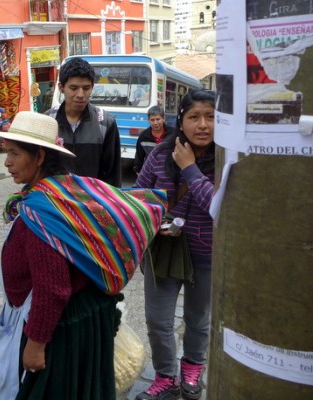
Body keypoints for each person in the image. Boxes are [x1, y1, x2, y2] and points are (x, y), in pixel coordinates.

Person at [0, 111, 167, 399]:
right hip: (85, 317)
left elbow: (52, 288)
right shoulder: (66, 188)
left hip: (64, 329)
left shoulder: (44, 210)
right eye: (6, 152)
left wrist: (35, 344)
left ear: (40, 157)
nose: (7, 162)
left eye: (15, 153)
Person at [134, 89, 216, 400]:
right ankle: (165, 376)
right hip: (163, 253)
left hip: (206, 254)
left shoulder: (226, 159)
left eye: (210, 117)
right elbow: (138, 198)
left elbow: (217, 206)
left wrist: (190, 167)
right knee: (158, 321)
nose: (203, 125)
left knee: (198, 319)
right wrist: (156, 222)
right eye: (194, 117)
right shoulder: (158, 155)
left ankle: (193, 369)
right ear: (180, 122)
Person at [45, 57, 121, 187]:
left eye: (86, 88)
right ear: (61, 87)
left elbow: (112, 174)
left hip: (93, 201)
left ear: (92, 87)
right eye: (73, 88)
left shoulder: (105, 123)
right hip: (56, 200)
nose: (80, 94)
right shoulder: (47, 122)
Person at [133, 106, 175, 175]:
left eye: (158, 119)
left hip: (169, 173)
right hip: (150, 173)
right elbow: (139, 156)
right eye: (152, 120)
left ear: (164, 119)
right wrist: (138, 172)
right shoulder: (143, 136)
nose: (155, 123)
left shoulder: (173, 134)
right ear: (148, 120)